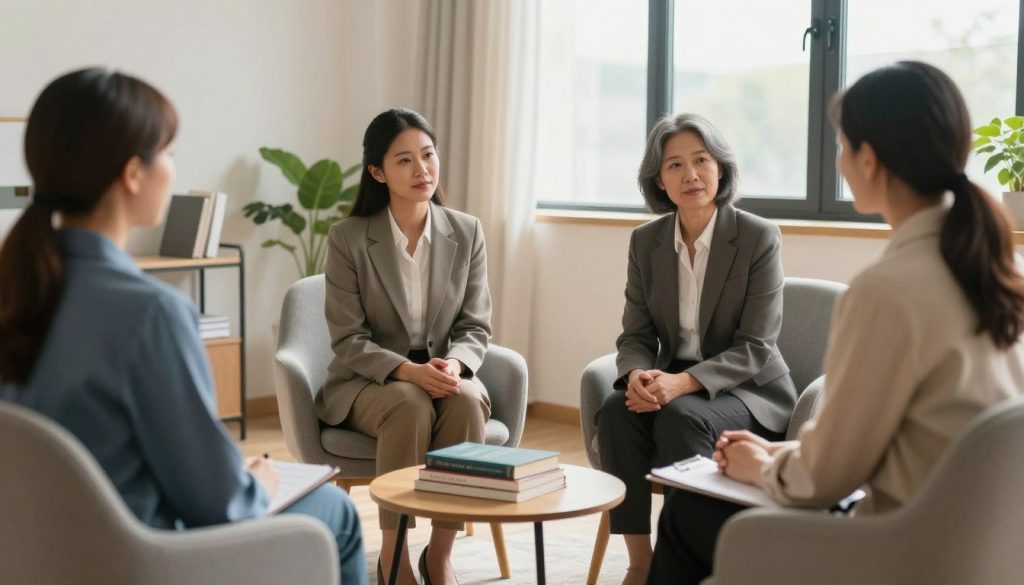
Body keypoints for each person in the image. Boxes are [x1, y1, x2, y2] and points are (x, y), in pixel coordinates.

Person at [646, 61, 1024, 585]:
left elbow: (825, 481)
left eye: (843, 147)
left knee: (686, 515)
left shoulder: (888, 289)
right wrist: (784, 451)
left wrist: (760, 467)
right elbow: (910, 437)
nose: (841, 162)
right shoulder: (991, 269)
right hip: (975, 545)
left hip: (896, 551)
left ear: (868, 159)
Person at [0, 68, 366, 585]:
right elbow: (216, 506)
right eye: (168, 153)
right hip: (139, 561)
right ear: (132, 173)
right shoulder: (150, 313)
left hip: (32, 557)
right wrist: (255, 481)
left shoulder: (16, 289)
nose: (173, 168)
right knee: (338, 514)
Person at [596, 112, 797, 585]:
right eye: (675, 165)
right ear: (659, 181)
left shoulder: (756, 237)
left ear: (721, 169)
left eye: (701, 160)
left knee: (681, 416)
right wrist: (638, 377)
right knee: (616, 413)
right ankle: (641, 563)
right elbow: (637, 335)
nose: (690, 175)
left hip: (749, 388)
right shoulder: (645, 241)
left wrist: (682, 383)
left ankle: (689, 567)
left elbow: (758, 345)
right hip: (672, 380)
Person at [317, 107, 491, 585]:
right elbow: (347, 338)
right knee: (409, 405)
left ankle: (440, 554)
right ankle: (393, 557)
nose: (422, 170)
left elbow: (476, 325)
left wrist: (455, 366)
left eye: (428, 155)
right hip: (369, 381)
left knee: (467, 401)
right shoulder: (348, 238)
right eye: (405, 160)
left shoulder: (466, 231)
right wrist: (409, 372)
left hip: (443, 371)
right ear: (378, 172)